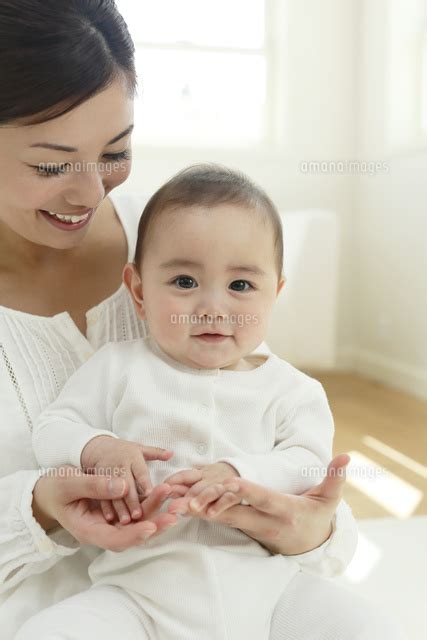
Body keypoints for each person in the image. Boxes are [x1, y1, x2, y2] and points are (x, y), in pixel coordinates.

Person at [0, 1, 403, 639]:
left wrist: (307, 529)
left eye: (115, 150)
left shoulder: (175, 243)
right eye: (51, 164)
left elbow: (305, 479)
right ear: (137, 288)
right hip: (111, 603)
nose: (89, 192)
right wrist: (44, 503)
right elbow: (63, 427)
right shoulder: (129, 348)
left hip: (265, 593)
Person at [18, 164, 349, 639]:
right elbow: (53, 427)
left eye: (240, 286)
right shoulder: (118, 366)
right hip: (137, 593)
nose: (213, 307)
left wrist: (240, 473)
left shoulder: (293, 390)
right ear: (138, 291)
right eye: (185, 283)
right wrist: (98, 448)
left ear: (274, 294)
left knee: (368, 625)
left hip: (270, 587)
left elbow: (307, 463)